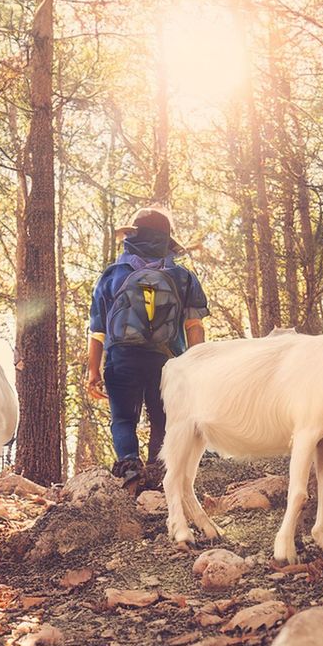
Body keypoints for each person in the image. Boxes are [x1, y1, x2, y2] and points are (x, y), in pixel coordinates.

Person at [87, 207, 208, 494]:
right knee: (162, 418)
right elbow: (194, 325)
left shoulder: (113, 274)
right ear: (167, 240)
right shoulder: (181, 276)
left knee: (123, 418)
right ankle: (159, 473)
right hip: (167, 361)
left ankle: (129, 469)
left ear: (134, 235)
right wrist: (198, 365)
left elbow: (98, 330)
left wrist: (92, 371)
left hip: (122, 357)